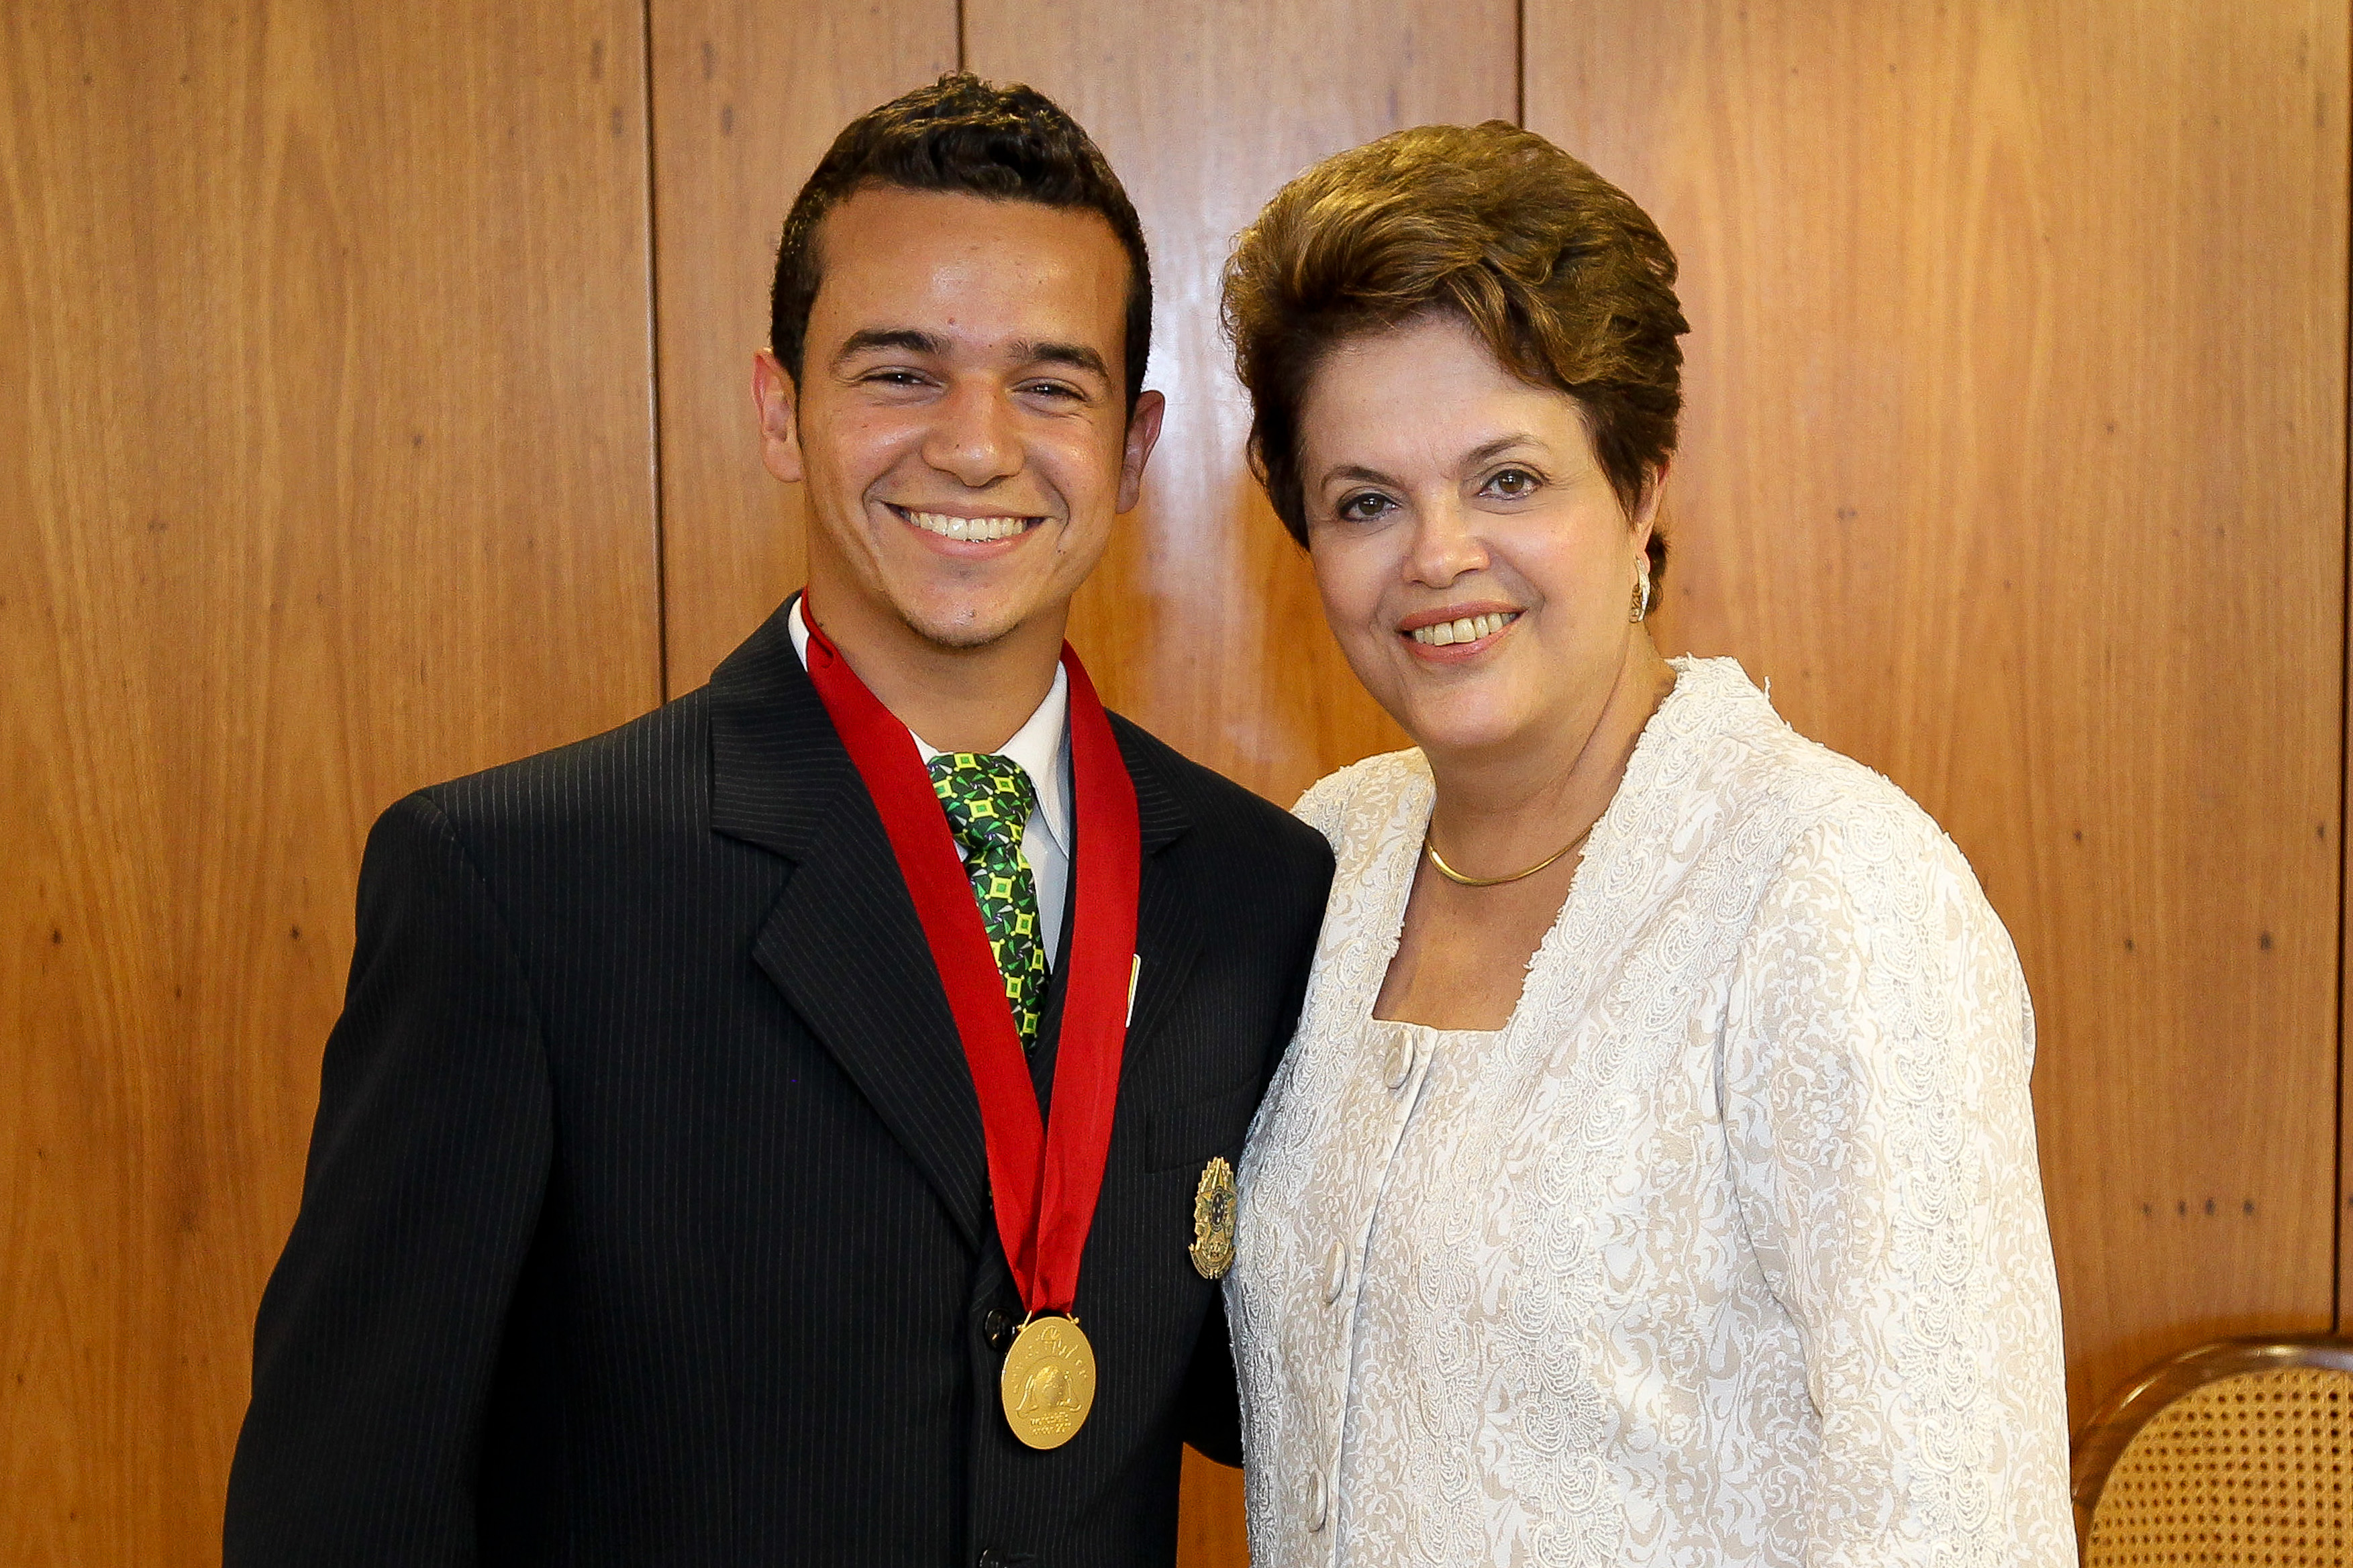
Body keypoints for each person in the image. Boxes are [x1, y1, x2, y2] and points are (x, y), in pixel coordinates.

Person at [223, 74, 1332, 1567]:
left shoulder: (1258, 887)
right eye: (899, 372)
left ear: (1131, 453)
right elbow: (345, 1507)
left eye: (1049, 383)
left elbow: (1286, 1382)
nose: (975, 444)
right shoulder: (515, 885)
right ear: (778, 411)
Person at [1217, 123, 2073, 1565]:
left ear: (1643, 487)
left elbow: (1956, 1516)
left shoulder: (1828, 886)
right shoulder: (1327, 854)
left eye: (1507, 479)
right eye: (1366, 499)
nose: (1435, 556)